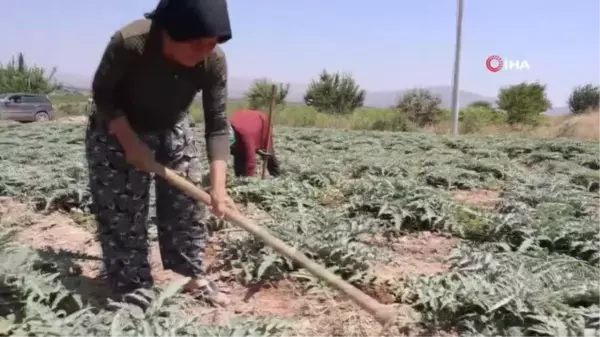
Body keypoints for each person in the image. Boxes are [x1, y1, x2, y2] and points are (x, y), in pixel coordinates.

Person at [86, 0, 232, 307]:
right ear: (169, 32)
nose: (206, 51)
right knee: (123, 211)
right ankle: (132, 287)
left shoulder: (213, 60)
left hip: (172, 125)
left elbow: (217, 125)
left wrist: (218, 187)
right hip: (117, 126)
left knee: (188, 206)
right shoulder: (130, 44)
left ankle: (190, 273)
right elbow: (103, 93)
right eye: (196, 44)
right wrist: (129, 141)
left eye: (212, 43)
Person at [228, 109, 281, 177]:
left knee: (268, 152)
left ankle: (276, 175)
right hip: (244, 124)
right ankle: (239, 176)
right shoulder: (225, 129)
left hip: (260, 122)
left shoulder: (246, 135)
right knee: (239, 154)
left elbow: (251, 160)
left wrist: (249, 178)